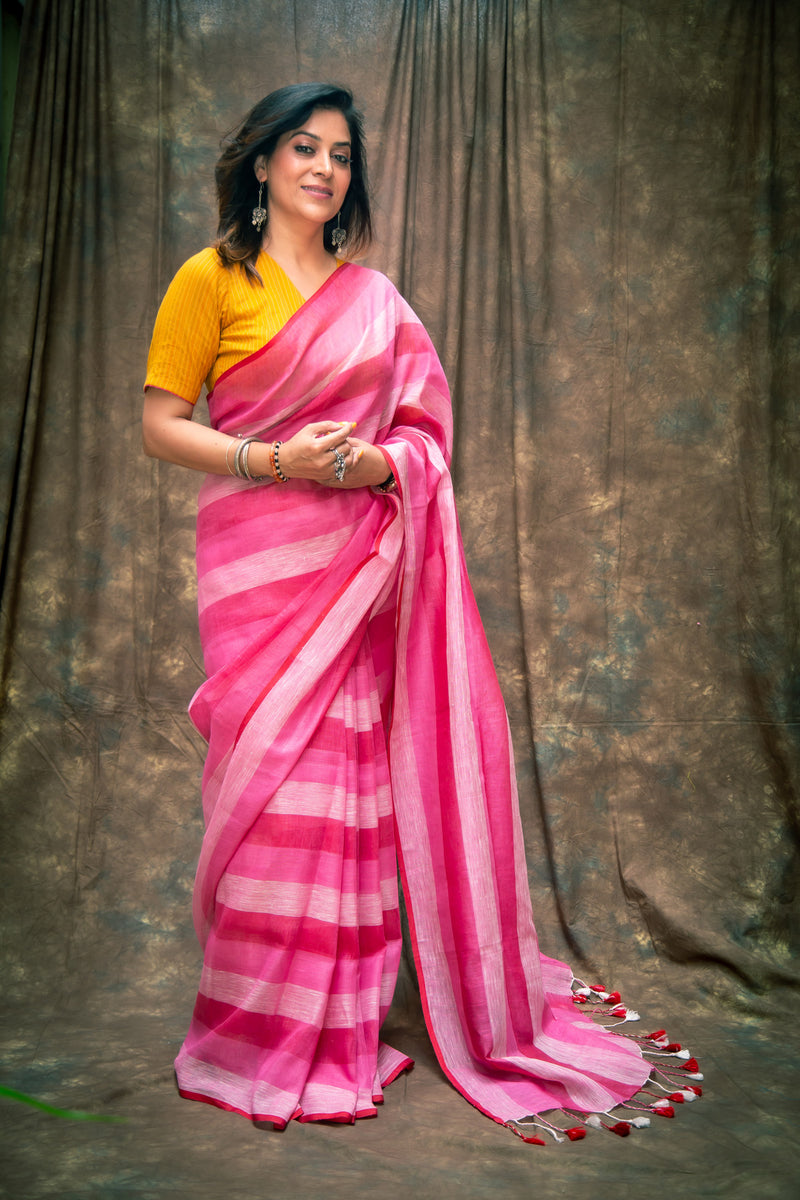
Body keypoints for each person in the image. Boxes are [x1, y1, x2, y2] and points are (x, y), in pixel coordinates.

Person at [142, 83, 687, 1141]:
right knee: (266, 802)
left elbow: (422, 434)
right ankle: (253, 1036)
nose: (322, 169)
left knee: (341, 806)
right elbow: (161, 424)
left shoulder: (377, 304)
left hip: (354, 579)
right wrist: (272, 458)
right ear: (260, 164)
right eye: (302, 148)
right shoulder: (208, 281)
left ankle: (337, 1036)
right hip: (257, 580)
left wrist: (377, 462)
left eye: (340, 155)